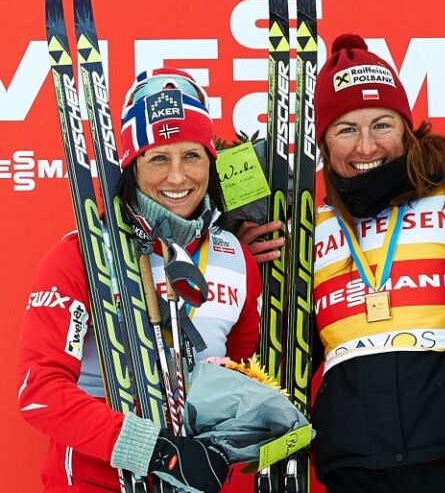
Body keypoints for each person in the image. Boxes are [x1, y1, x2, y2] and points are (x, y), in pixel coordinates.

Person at [17, 68, 262, 493]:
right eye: (158, 158)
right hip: (96, 480)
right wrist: (155, 450)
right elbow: (39, 390)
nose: (178, 177)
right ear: (132, 166)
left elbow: (244, 373)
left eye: (192, 156)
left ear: (210, 162)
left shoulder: (237, 259)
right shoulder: (81, 256)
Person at [306, 33, 445, 492]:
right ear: (324, 143)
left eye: (382, 124)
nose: (366, 147)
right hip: (355, 465)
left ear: (406, 129)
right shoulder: (310, 229)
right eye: (346, 129)